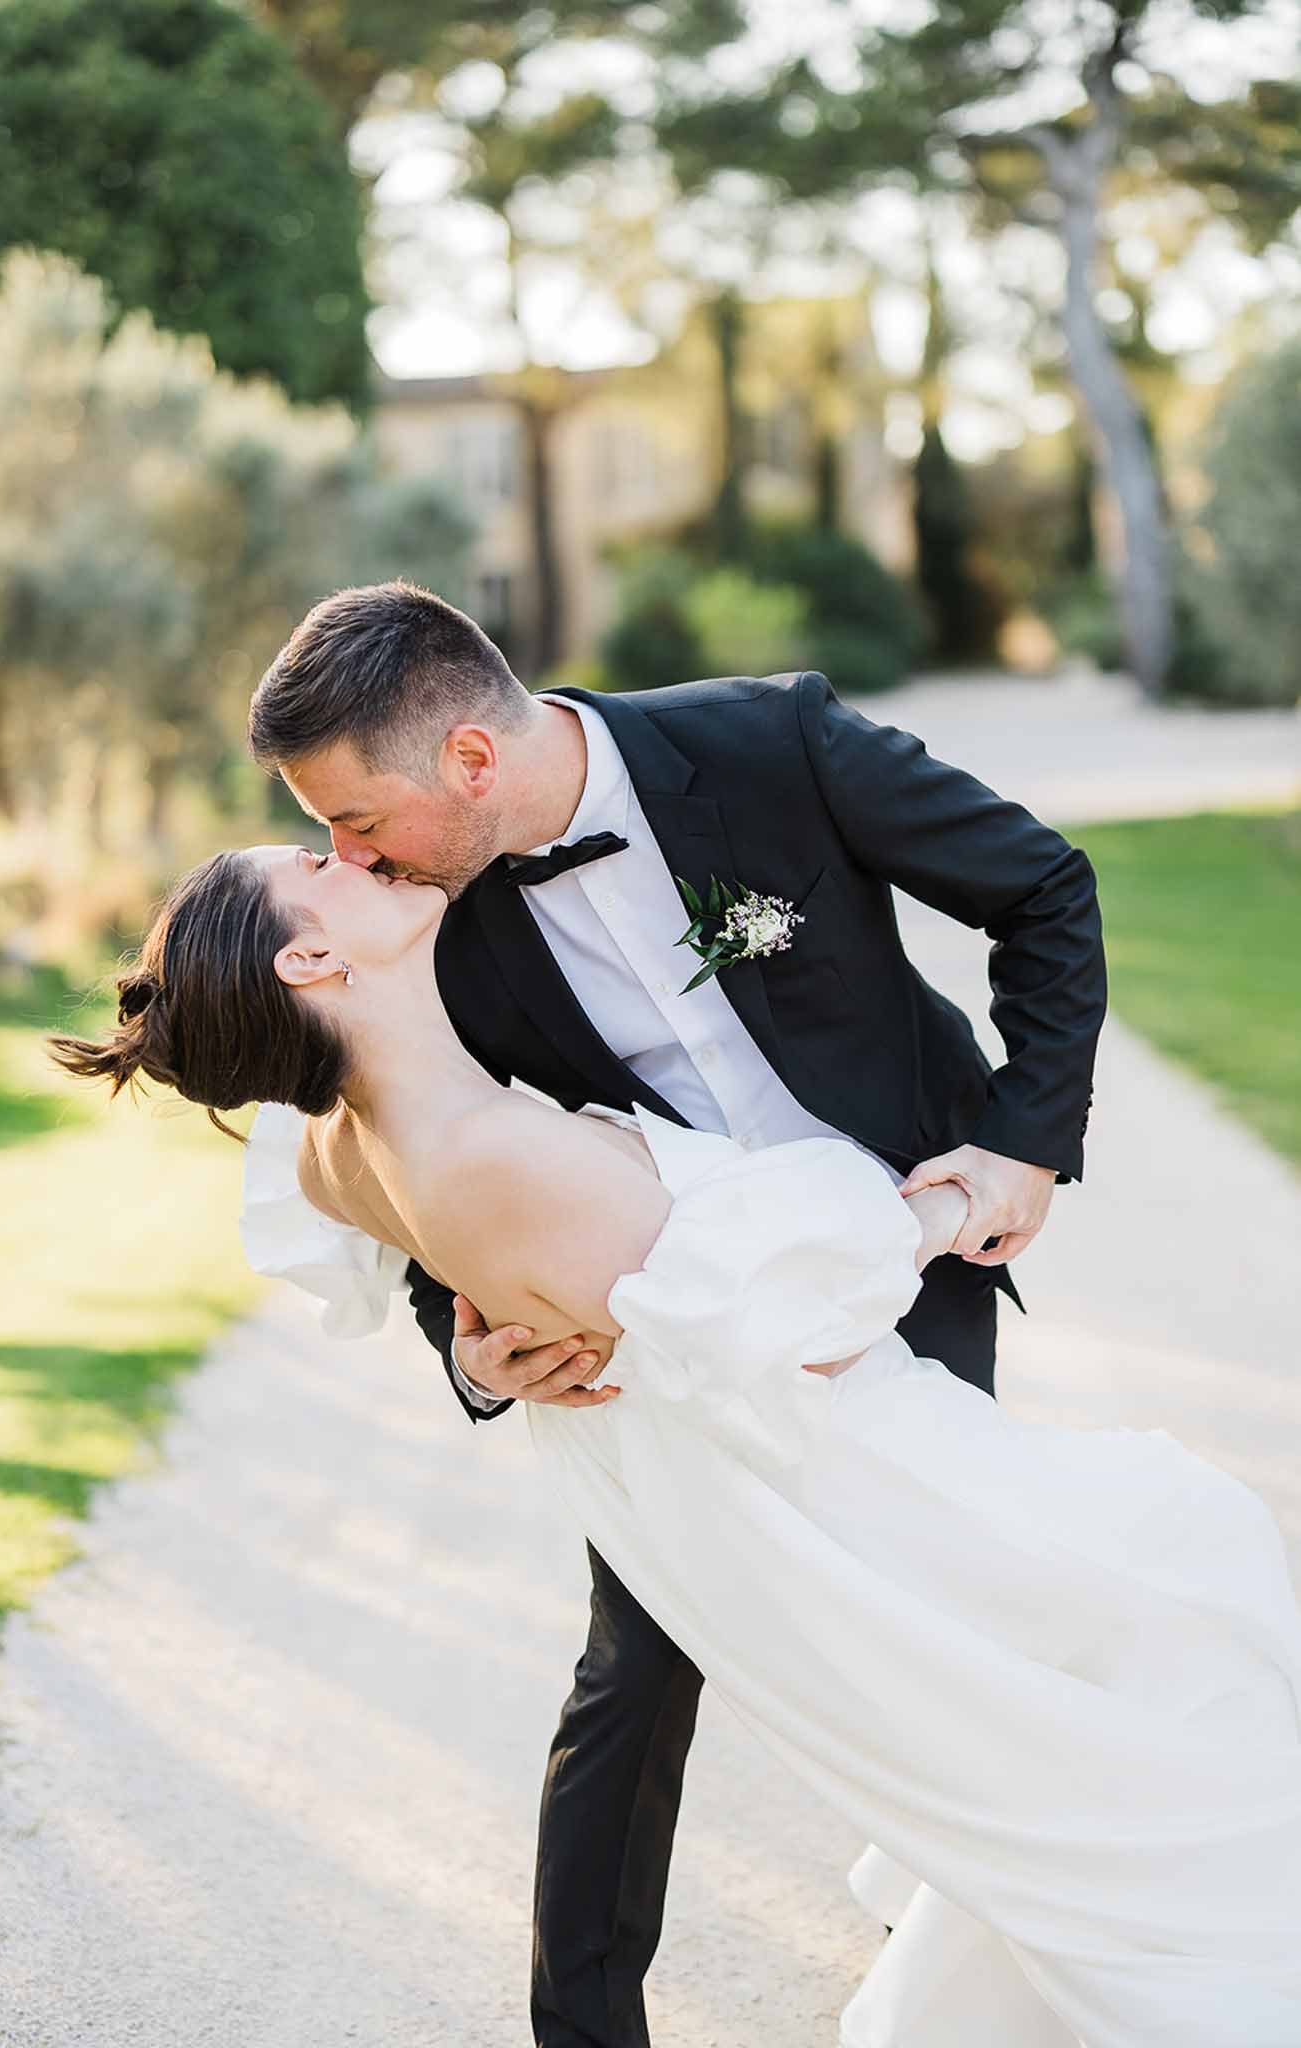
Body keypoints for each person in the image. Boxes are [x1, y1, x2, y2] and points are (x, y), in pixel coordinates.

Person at [48, 840, 1301, 2046]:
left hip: (702, 1468)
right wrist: (948, 1202)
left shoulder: (336, 1149)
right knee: (1191, 1583)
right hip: (826, 1465)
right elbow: (805, 1322)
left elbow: (487, 1260)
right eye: (318, 867)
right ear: (308, 963)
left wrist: (495, 1337)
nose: (354, 856)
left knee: (1111, 1670)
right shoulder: (486, 1153)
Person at [237, 579, 1106, 2046]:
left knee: (956, 1605)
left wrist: (1023, 1138)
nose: (343, 856)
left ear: (467, 761)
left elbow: (1040, 886)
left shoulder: (779, 742)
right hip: (668, 1314)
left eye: (355, 819)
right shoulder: (417, 922)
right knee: (635, 1666)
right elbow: (403, 1148)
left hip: (911, 1245)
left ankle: (984, 1943)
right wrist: (469, 1336)